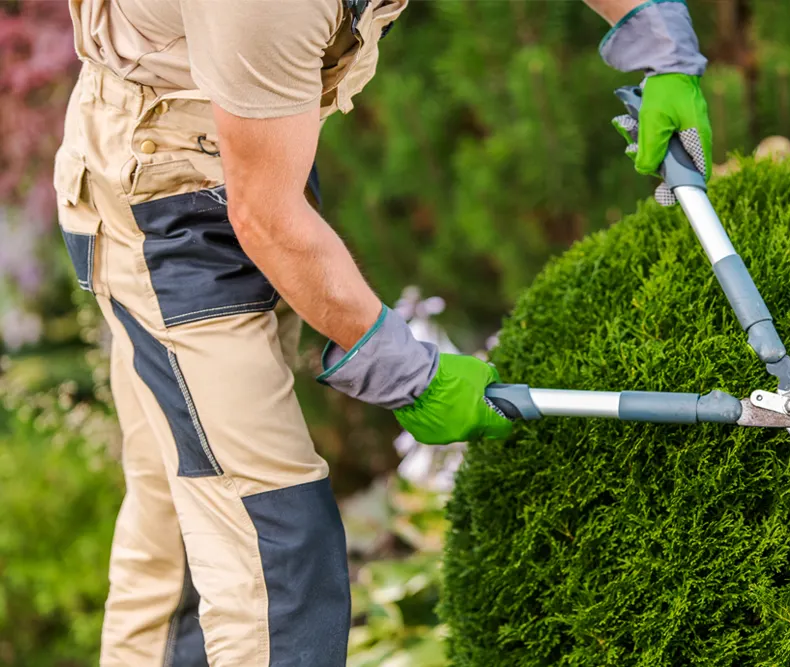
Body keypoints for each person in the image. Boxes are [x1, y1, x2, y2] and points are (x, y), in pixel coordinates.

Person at [55, 0, 712, 663]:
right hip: (163, 193)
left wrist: (656, 42)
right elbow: (266, 216)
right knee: (273, 550)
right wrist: (411, 375)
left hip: (243, 143)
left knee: (184, 528)